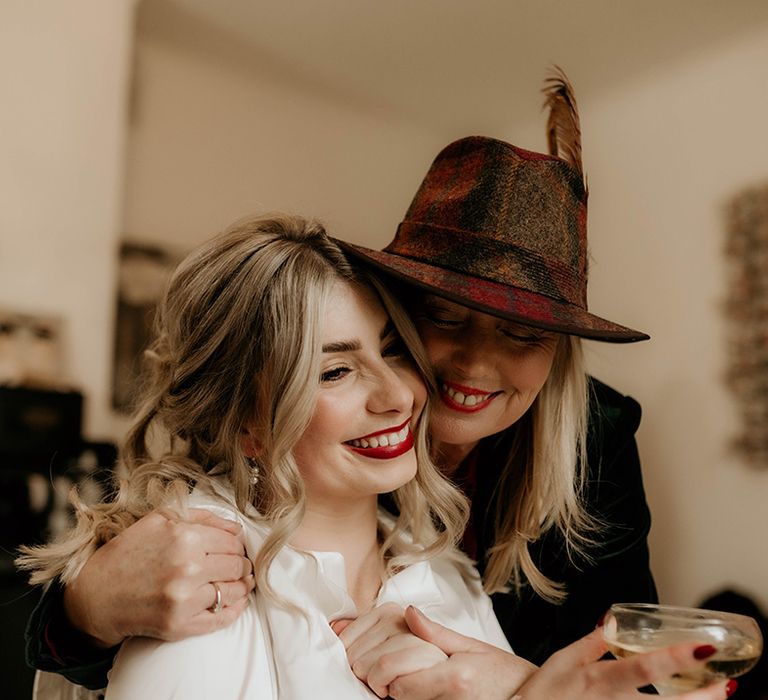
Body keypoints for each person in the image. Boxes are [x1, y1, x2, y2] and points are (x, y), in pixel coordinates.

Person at [22, 71, 736, 698]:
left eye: (522, 335)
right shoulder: (234, 537)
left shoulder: (586, 450)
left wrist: (518, 686)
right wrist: (86, 607)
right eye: (441, 320)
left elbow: (621, 674)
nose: (474, 366)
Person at [19, 214, 515, 698]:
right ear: (245, 424)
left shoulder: (451, 576)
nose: (397, 396)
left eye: (391, 351)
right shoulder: (199, 593)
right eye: (335, 372)